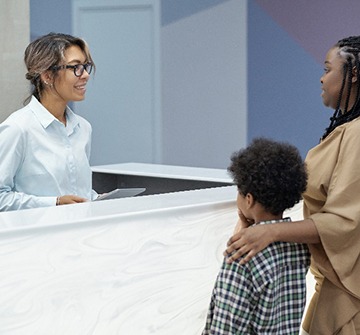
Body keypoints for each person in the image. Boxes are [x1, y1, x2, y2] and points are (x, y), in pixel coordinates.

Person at [225, 36, 360, 335]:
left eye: (327, 69)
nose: (322, 78)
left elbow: (344, 223)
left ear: (352, 73)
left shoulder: (358, 134)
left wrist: (269, 232)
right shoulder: (345, 129)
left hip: (350, 300)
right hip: (334, 289)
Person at [202, 137, 310, 334]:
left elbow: (226, 328)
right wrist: (245, 226)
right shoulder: (298, 247)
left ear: (249, 199)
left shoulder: (242, 258)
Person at [0, 32, 98, 211]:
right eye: (76, 67)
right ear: (47, 76)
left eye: (85, 66)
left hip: (79, 234)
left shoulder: (83, 128)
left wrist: (99, 200)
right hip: (36, 236)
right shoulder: (18, 128)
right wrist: (54, 203)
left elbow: (78, 192)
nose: (85, 75)